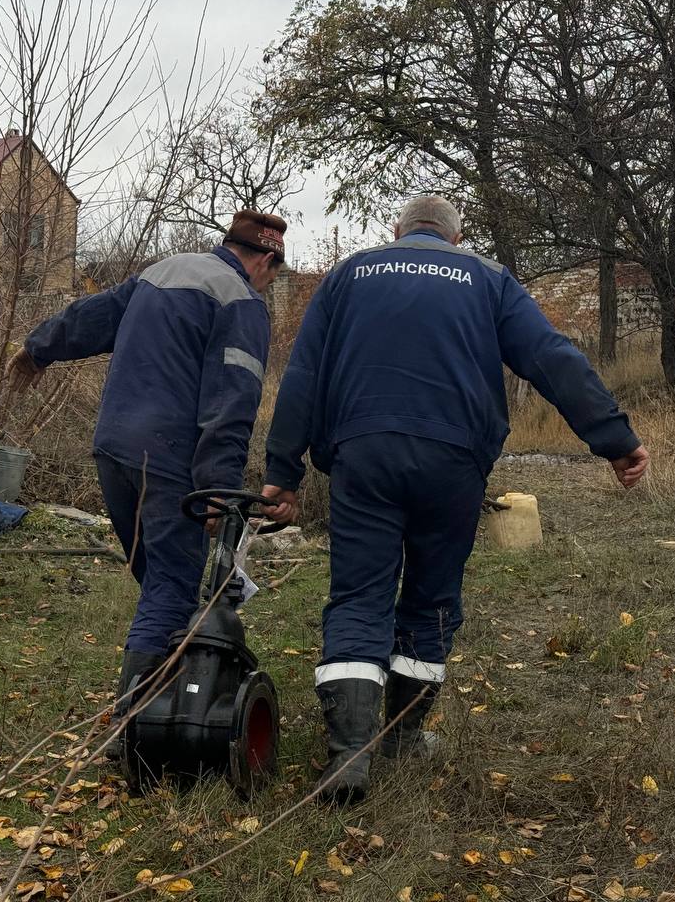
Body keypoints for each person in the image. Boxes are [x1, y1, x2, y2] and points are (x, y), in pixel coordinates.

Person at [259, 196, 648, 803]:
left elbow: (304, 375)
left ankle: (348, 756)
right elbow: (550, 357)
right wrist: (614, 439)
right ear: (456, 237)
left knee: (360, 595)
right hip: (454, 461)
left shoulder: (349, 275)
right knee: (433, 595)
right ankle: (403, 734)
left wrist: (281, 471)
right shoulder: (488, 279)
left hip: (365, 455)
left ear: (399, 231)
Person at [6, 209, 288, 738]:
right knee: (173, 585)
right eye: (274, 275)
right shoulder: (242, 302)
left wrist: (38, 347)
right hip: (170, 458)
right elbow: (232, 404)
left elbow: (93, 316)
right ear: (267, 260)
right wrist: (215, 487)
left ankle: (165, 687)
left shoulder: (164, 270)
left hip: (114, 449)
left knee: (157, 576)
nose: (270, 285)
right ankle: (136, 728)